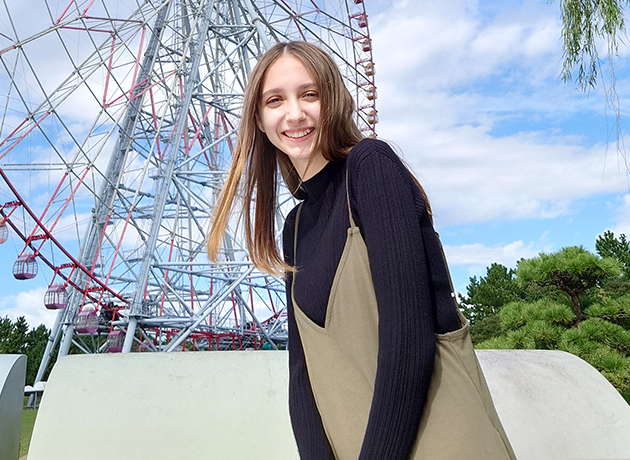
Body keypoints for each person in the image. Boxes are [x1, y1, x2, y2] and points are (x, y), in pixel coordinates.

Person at [208, 41, 514, 460]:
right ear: (259, 120)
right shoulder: (295, 229)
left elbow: (409, 339)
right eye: (275, 100)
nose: (294, 113)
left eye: (310, 94)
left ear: (333, 100)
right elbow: (302, 378)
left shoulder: (371, 167)